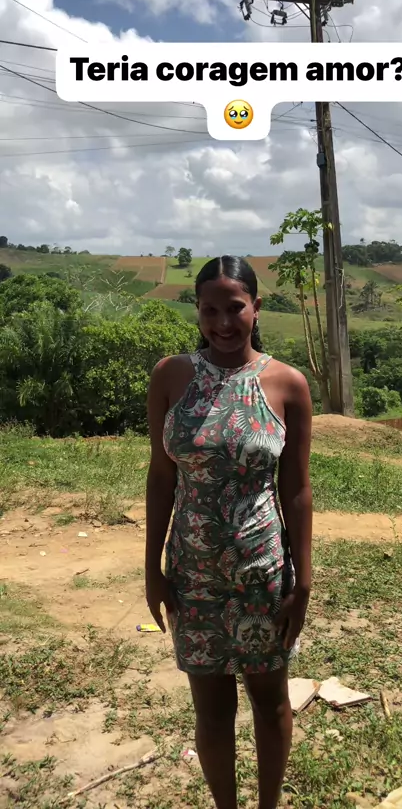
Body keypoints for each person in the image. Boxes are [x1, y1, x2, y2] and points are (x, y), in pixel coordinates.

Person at [145, 255, 313, 809]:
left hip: (261, 573)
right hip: (191, 575)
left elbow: (296, 490)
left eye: (234, 308)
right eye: (209, 310)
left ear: (256, 308)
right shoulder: (171, 377)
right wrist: (152, 569)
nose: (222, 322)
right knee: (212, 711)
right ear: (197, 311)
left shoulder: (287, 384)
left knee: (270, 701)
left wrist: (303, 581)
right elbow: (161, 477)